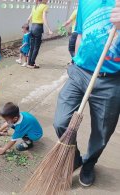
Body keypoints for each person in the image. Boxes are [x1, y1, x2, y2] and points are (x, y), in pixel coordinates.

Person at [53, 0, 120, 188]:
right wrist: (76, 60)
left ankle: (89, 163)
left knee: (102, 131)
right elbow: (80, 32)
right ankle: (74, 159)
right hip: (80, 72)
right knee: (61, 122)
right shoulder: (85, 1)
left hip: (111, 79)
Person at [27, 0, 53, 69]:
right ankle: (32, 64)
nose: (47, 1)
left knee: (32, 47)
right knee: (36, 47)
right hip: (38, 27)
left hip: (32, 27)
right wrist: (49, 29)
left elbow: (28, 19)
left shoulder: (34, 7)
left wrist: (27, 26)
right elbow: (44, 18)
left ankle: (29, 62)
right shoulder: (44, 6)